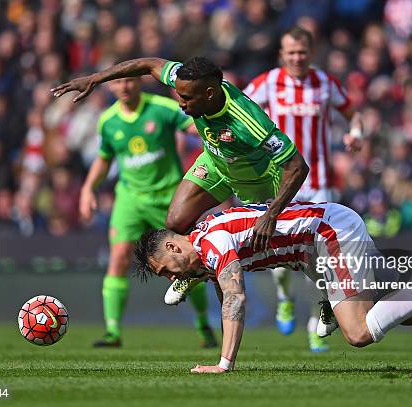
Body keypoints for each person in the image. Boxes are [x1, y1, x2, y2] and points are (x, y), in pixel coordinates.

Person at [52, 56, 323, 316]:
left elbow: (298, 166)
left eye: (187, 98)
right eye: (178, 94)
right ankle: (196, 273)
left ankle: (327, 297)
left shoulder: (247, 121)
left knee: (284, 254)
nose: (180, 102)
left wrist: (271, 213)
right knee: (176, 221)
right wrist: (95, 79)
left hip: (258, 180)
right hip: (216, 164)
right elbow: (148, 64)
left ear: (209, 93)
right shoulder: (188, 80)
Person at [134, 202, 412, 374]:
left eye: (165, 269)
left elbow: (235, 295)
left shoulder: (212, 242)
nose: (171, 277)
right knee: (400, 310)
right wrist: (191, 279)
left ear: (173, 245)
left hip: (328, 236)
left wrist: (224, 364)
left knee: (359, 332)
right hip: (318, 241)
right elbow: (221, 283)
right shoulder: (202, 243)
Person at [243, 26, 362, 351]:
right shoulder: (267, 82)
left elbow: (354, 114)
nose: (297, 57)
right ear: (282, 54)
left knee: (320, 258)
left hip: (321, 183)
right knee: (276, 250)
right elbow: (240, 111)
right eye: (291, 52)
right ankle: (284, 296)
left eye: (302, 52)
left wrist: (356, 133)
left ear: (310, 53)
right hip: (281, 181)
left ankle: (316, 319)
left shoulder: (325, 83)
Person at [79, 76, 215, 347]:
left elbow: (194, 126)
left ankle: (202, 323)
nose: (125, 87)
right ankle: (113, 331)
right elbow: (104, 158)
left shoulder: (162, 109)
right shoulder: (108, 120)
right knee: (118, 257)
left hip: (168, 199)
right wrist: (87, 189)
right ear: (111, 87)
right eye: (118, 83)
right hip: (129, 199)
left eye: (129, 81)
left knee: (188, 264)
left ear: (139, 81)